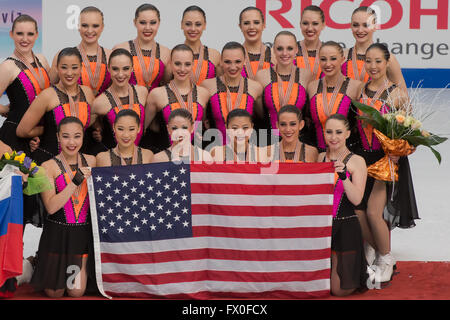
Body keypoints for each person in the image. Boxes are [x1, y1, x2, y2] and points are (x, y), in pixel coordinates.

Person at [353, 43, 417, 283]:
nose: (373, 66)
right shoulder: (360, 88)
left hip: (384, 161)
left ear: (387, 62)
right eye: (368, 61)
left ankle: (386, 256)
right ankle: (374, 248)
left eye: (378, 61)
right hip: (362, 158)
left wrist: (397, 152)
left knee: (373, 211)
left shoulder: (397, 93)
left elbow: (410, 131)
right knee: (358, 211)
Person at [30, 116, 96, 298]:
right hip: (56, 235)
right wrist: (75, 182)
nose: (72, 142)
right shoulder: (47, 167)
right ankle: (31, 265)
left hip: (81, 235)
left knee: (75, 292)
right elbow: (51, 207)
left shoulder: (93, 161)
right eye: (66, 136)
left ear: (83, 137)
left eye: (77, 136)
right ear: (58, 137)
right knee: (55, 293)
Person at [16, 47, 96, 165]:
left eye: (74, 67)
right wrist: (49, 129)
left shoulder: (87, 93)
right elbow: (22, 131)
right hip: (48, 160)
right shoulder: (47, 95)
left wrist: (98, 129)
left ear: (81, 68)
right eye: (64, 67)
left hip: (79, 162)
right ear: (57, 69)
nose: (69, 73)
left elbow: (92, 117)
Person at [318, 113, 368, 296]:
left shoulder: (357, 161)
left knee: (339, 291)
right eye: (329, 132)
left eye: (338, 132)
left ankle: (362, 268)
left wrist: (344, 176)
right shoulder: (319, 158)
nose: (333, 137)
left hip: (345, 226)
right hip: (321, 227)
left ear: (347, 133)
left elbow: (357, 200)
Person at [0, 14, 51, 156]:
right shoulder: (7, 66)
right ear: (11, 34)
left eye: (30, 34)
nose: (25, 39)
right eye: (19, 34)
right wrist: (6, 110)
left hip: (41, 134)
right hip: (15, 135)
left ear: (36, 35)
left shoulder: (42, 60)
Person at [145, 44, 210, 150]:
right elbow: (144, 131)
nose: (182, 69)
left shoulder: (204, 94)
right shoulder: (156, 94)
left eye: (187, 64)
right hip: (167, 160)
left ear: (193, 64)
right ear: (170, 63)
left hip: (195, 158)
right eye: (177, 64)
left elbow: (205, 129)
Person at [201, 42, 263, 145]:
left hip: (247, 152)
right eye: (227, 62)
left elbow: (261, 121)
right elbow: (202, 122)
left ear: (245, 61)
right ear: (220, 61)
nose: (233, 67)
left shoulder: (255, 88)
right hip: (216, 152)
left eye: (237, 61)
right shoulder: (207, 86)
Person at [306, 41, 362, 153]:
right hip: (318, 156)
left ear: (342, 59)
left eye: (333, 59)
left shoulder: (356, 86)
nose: (328, 64)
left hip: (347, 155)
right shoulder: (312, 86)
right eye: (323, 59)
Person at [91, 48, 148, 151]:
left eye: (125, 68)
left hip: (140, 157)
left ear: (132, 68)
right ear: (108, 68)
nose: (120, 74)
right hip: (113, 161)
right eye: (115, 69)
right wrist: (98, 129)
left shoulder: (142, 92)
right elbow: (84, 130)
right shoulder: (100, 102)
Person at [255, 31, 310, 133]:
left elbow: (307, 112)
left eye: (290, 48)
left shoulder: (306, 75)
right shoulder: (261, 76)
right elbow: (260, 114)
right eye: (280, 49)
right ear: (274, 50)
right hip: (269, 138)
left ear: (297, 50)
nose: (285, 53)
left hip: (299, 139)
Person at [341, 6, 407, 93]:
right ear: (351, 26)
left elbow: (403, 98)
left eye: (366, 25)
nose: (360, 30)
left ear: (375, 26)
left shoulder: (389, 58)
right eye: (356, 25)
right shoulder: (342, 57)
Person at [49, 6, 112, 95]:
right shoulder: (61, 56)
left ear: (102, 27)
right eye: (85, 25)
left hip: (104, 108)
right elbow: (50, 91)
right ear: (78, 26)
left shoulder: (111, 56)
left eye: (95, 26)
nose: (90, 30)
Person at [113, 3, 171, 91]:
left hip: (157, 104)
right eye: (143, 22)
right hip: (126, 103)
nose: (147, 28)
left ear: (159, 23)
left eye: (153, 23)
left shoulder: (166, 53)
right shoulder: (121, 49)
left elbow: (168, 87)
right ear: (135, 22)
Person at [181, 5, 221, 85]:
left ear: (204, 25)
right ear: (181, 25)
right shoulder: (172, 55)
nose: (193, 29)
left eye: (198, 24)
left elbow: (221, 87)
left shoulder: (214, 55)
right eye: (188, 24)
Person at [238, 6, 274, 79]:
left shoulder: (275, 55)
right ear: (240, 26)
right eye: (246, 23)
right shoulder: (233, 55)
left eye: (256, 22)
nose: (251, 27)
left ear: (263, 25)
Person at [295, 5, 326, 80]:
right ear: (300, 24)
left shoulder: (329, 51)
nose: (310, 28)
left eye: (315, 23)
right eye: (305, 23)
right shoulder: (290, 50)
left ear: (323, 25)